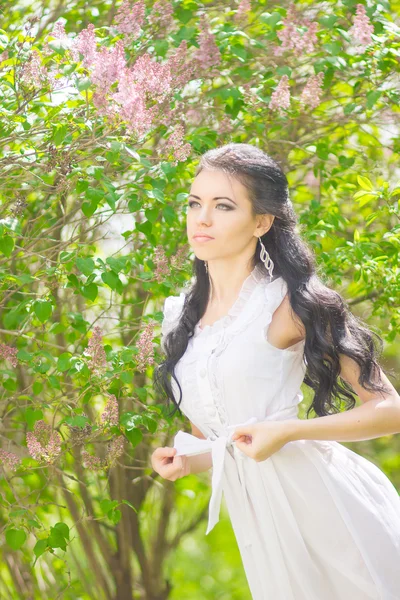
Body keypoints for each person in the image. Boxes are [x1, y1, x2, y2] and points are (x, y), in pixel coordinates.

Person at [151, 143, 400, 600]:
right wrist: (190, 460)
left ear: (262, 222)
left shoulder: (291, 304)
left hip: (327, 507)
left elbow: (389, 410)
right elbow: (228, 439)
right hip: (262, 520)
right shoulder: (181, 316)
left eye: (222, 206)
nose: (201, 218)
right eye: (194, 203)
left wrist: (287, 431)